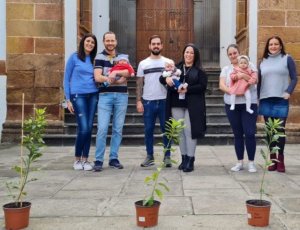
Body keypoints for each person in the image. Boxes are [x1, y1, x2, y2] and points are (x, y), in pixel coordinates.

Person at [159, 43, 207, 172]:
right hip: (176, 104)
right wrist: (167, 80)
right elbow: (162, 77)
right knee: (180, 132)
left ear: (195, 55)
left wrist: (187, 89)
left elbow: (203, 86)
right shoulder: (177, 67)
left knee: (189, 131)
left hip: (193, 105)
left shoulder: (199, 71)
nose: (189, 55)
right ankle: (184, 158)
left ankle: (191, 159)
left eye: (191, 53)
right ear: (183, 54)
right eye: (187, 52)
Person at [258, 35, 298, 173]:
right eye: (270, 44)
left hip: (281, 99)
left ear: (280, 46)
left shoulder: (287, 58)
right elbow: (259, 81)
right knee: (270, 131)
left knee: (279, 131)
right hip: (266, 99)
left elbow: (294, 78)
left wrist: (288, 91)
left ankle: (280, 160)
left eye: (276, 44)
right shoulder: (262, 61)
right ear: (267, 47)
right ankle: (272, 159)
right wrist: (257, 98)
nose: (273, 46)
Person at [93, 31, 131, 171]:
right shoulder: (99, 57)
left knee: (117, 129)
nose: (110, 43)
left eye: (112, 40)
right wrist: (115, 78)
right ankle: (98, 160)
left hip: (121, 97)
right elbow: (97, 77)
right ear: (104, 42)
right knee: (102, 129)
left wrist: (110, 76)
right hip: (105, 97)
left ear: (116, 42)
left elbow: (128, 73)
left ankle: (113, 158)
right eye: (107, 40)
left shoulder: (123, 57)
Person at [219, 44, 258, 173]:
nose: (233, 56)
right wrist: (233, 91)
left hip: (249, 103)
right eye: (230, 54)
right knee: (237, 134)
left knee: (250, 133)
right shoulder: (226, 69)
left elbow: (255, 80)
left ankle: (251, 162)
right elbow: (222, 85)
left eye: (234, 53)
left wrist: (243, 76)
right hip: (232, 103)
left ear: (239, 52)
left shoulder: (250, 65)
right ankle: (240, 162)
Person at [136, 35, 172, 168]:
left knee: (166, 130)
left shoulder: (168, 62)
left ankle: (167, 157)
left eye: (158, 43)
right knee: (148, 130)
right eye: (153, 44)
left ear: (162, 46)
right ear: (149, 46)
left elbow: (173, 81)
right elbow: (139, 84)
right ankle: (149, 156)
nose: (156, 46)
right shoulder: (143, 63)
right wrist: (138, 101)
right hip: (148, 102)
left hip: (164, 101)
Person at [63, 33, 98, 171]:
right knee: (83, 127)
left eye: (93, 43)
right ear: (83, 42)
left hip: (93, 95)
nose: (90, 44)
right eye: (88, 41)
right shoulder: (74, 57)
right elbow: (66, 78)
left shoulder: (95, 59)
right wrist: (68, 100)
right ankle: (77, 159)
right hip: (78, 96)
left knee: (89, 129)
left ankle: (85, 159)